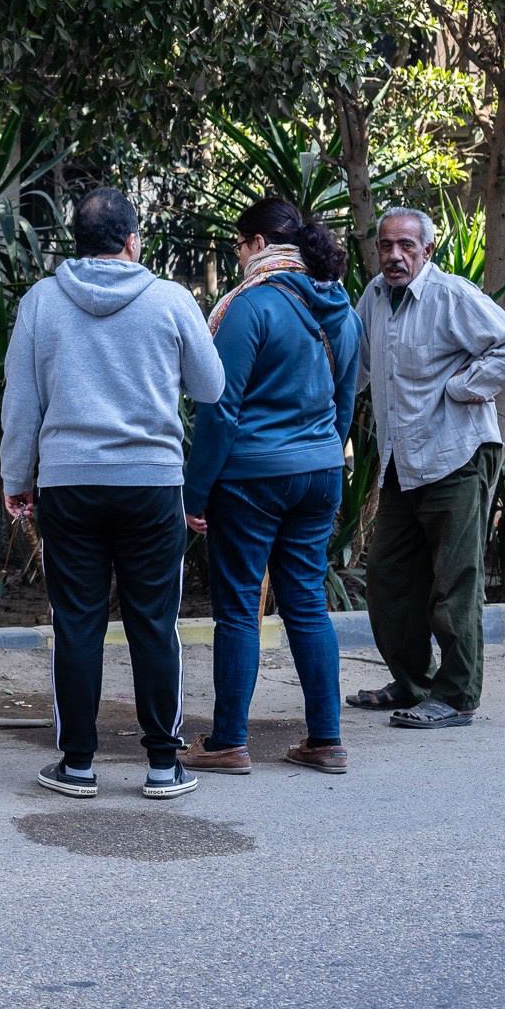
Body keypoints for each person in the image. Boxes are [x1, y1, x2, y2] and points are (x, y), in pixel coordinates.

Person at [0, 187, 225, 799]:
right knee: (155, 623)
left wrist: (16, 479)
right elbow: (210, 386)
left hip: (69, 484)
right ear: (133, 239)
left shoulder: (42, 302)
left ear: (78, 241)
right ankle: (161, 765)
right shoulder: (171, 299)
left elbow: (21, 405)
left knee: (77, 624)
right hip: (152, 484)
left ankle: (77, 765)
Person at [180, 198, 362, 776]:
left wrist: (196, 491)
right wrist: (319, 452)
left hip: (252, 476)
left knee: (238, 610)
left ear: (258, 242)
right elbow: (346, 402)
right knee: (308, 603)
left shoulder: (249, 306)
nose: (237, 256)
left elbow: (219, 409)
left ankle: (228, 742)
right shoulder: (341, 308)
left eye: (239, 244)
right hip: (321, 471)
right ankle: (326, 741)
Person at [348, 206, 505, 729]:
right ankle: (412, 683)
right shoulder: (374, 297)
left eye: (406, 246)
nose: (393, 256)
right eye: (386, 245)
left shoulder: (451, 296)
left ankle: (455, 697)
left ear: (427, 251)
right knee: (388, 582)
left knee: (454, 584)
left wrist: (463, 387)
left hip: (453, 456)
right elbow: (360, 368)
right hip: (400, 463)